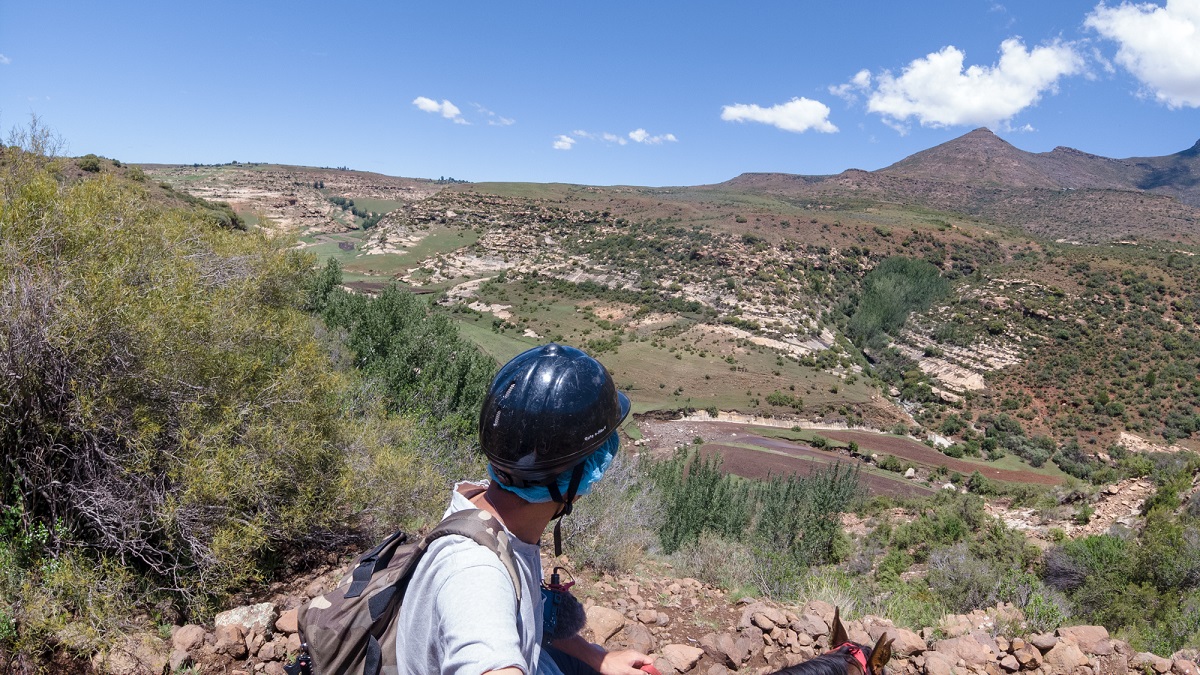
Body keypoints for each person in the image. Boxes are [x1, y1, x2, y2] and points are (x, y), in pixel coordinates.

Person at [395, 343, 655, 675]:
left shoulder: (484, 508)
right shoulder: (476, 573)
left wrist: (595, 656)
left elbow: (520, 613)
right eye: (600, 454)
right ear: (575, 478)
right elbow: (483, 636)